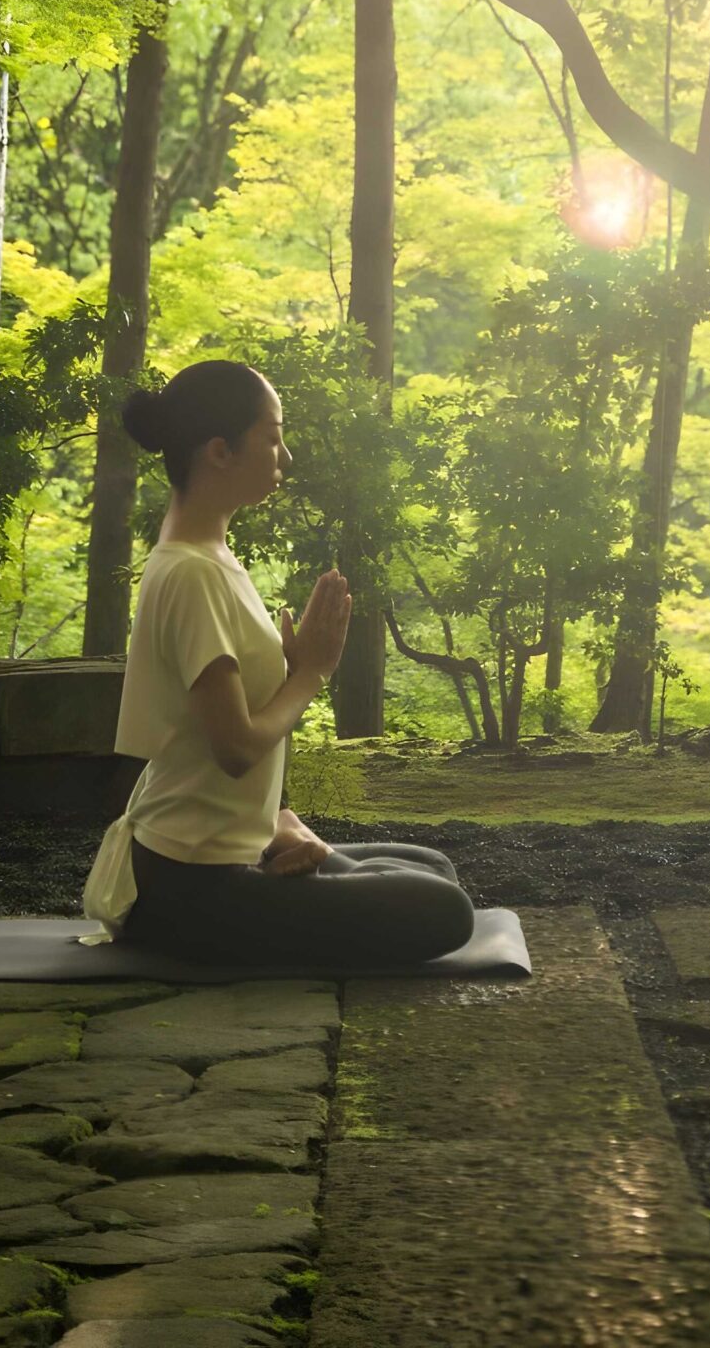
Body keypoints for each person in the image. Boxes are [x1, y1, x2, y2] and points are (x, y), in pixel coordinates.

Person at [81, 358, 474, 971]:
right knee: (445, 909)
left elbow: (216, 738)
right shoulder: (192, 573)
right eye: (272, 437)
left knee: (433, 868)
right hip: (190, 885)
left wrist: (276, 822)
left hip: (229, 849)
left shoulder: (211, 556)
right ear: (220, 451)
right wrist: (310, 674)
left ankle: (274, 849)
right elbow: (235, 747)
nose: (284, 456)